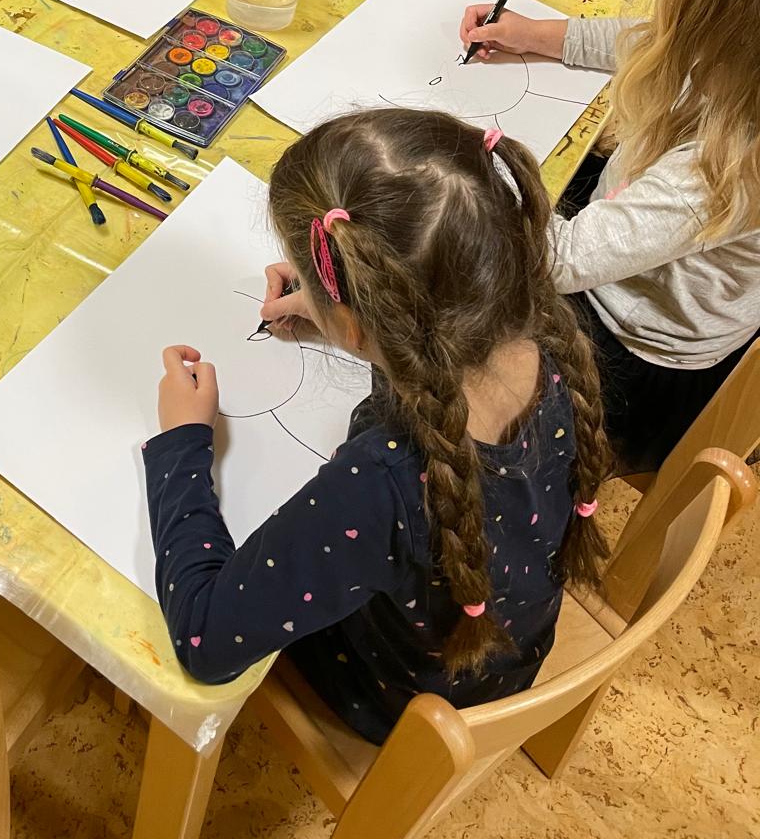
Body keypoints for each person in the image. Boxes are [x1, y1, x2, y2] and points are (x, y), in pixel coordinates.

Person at [144, 108, 611, 741]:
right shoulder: (549, 340)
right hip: (504, 653)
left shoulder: (383, 482)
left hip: (397, 698)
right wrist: (345, 323)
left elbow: (205, 640)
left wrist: (182, 442)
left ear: (361, 318)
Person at [459, 0, 760, 474]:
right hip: (627, 250)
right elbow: (648, 36)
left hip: (631, 352)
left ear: (723, 23)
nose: (662, 11)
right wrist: (535, 35)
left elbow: (560, 260)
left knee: (451, 344)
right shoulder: (734, 56)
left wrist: (452, 178)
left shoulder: (725, 167)